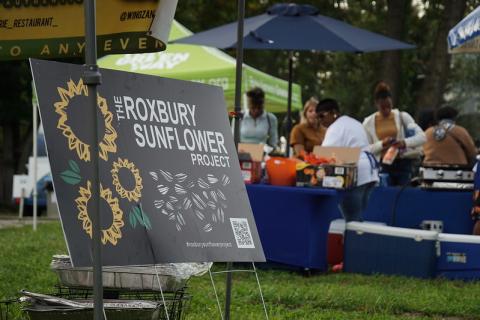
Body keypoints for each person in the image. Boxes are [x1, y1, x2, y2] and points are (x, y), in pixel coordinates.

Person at [317, 98, 379, 222]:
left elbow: (323, 155)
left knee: (352, 221)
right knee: (357, 219)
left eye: (322, 116)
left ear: (333, 112)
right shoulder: (353, 122)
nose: (320, 120)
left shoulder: (335, 127)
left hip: (356, 174)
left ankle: (354, 241)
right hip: (370, 174)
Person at [363, 81, 426, 186]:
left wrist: (404, 142)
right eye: (383, 107)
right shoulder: (368, 123)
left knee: (403, 196)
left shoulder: (403, 117)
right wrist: (382, 144)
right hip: (383, 165)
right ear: (376, 104)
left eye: (389, 106)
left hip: (403, 163)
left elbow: (422, 137)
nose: (387, 110)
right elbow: (366, 149)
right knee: (386, 196)